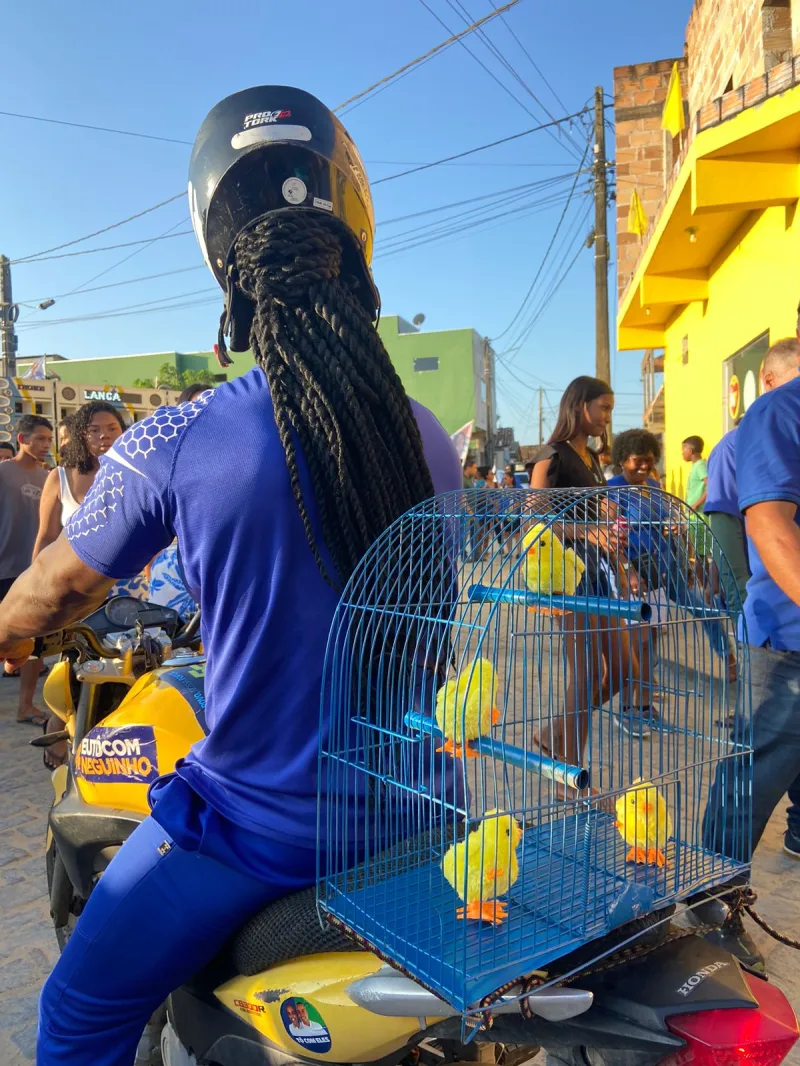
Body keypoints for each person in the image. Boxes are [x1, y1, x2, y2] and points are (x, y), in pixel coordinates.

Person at [0, 85, 461, 1066]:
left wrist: (8, 627)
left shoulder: (186, 432)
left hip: (262, 836)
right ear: (352, 229)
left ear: (225, 260)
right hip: (421, 814)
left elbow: (53, 592)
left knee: (76, 1010)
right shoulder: (426, 438)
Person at [699, 365, 800, 972]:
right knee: (748, 786)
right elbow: (766, 524)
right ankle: (713, 910)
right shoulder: (779, 413)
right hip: (787, 643)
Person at [528, 377, 634, 777]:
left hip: (600, 572)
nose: (608, 417)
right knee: (587, 671)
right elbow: (532, 521)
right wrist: (584, 531)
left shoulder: (590, 458)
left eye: (610, 409)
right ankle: (569, 777)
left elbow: (593, 514)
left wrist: (607, 525)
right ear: (579, 406)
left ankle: (554, 731)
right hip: (567, 575)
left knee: (623, 669)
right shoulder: (550, 455)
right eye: (603, 408)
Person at [705, 339, 799, 615]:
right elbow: (726, 529)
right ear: (769, 380)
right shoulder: (731, 447)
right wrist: (742, 600)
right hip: (776, 619)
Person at [32, 401, 148, 600]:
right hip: (74, 588)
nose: (105, 435)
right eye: (94, 430)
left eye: (112, 428)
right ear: (81, 436)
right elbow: (46, 537)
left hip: (130, 587)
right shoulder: (60, 478)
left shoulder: (139, 475)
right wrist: (35, 585)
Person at [0, 414, 53, 725]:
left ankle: (26, 705)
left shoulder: (49, 478)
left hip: (33, 571)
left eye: (49, 439)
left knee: (35, 641)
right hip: (3, 568)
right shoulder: (3, 473)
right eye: (40, 439)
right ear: (22, 439)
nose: (46, 445)